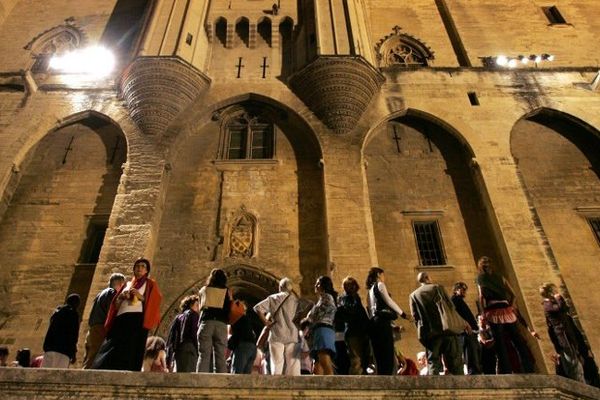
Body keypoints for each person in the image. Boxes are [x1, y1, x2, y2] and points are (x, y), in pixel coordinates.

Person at [92, 258, 162, 371]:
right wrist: (121, 297)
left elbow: (155, 301)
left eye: (143, 266)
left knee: (131, 346)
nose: (139, 268)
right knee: (114, 345)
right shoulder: (127, 284)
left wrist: (140, 296)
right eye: (137, 266)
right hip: (121, 318)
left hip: (136, 319)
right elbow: (116, 304)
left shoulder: (150, 284)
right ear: (134, 269)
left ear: (146, 271)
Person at [476, 256, 534, 374]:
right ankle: (528, 366)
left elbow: (481, 296)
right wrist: (511, 306)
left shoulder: (480, 279)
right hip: (504, 308)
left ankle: (508, 369)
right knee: (516, 339)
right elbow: (513, 294)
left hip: (493, 311)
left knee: (501, 342)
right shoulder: (500, 278)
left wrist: (483, 313)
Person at [410, 272, 467, 375]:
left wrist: (423, 333)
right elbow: (450, 307)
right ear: (427, 278)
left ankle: (434, 388)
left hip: (430, 334)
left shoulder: (413, 295)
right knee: (454, 361)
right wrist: (463, 323)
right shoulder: (437, 287)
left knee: (433, 362)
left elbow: (415, 317)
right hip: (446, 330)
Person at [366, 267, 412, 375]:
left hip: (374, 323)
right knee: (387, 350)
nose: (384, 277)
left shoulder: (370, 290)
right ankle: (388, 375)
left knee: (378, 352)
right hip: (382, 322)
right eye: (383, 275)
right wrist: (404, 315)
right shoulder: (380, 285)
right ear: (378, 274)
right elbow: (389, 301)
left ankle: (381, 374)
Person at [539, 283, 586, 383]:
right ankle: (579, 382)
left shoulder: (552, 303)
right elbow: (558, 309)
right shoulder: (547, 305)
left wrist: (560, 299)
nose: (555, 293)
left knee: (574, 358)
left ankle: (580, 380)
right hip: (562, 336)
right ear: (549, 293)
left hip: (567, 334)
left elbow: (565, 309)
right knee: (571, 360)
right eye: (553, 291)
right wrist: (559, 299)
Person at [254, 277, 300, 376]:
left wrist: (266, 322)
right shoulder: (296, 300)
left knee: (277, 363)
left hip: (277, 334)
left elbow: (257, 308)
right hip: (292, 335)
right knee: (293, 364)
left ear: (280, 287)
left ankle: (277, 387)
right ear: (291, 288)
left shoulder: (273, 298)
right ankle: (295, 386)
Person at [82, 273, 125, 369]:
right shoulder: (111, 293)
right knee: (95, 358)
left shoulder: (99, 294)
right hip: (101, 328)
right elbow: (111, 312)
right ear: (120, 283)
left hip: (92, 329)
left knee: (88, 357)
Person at [196, 268, 231, 373]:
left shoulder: (204, 289)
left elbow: (200, 307)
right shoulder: (227, 291)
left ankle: (200, 380)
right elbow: (230, 306)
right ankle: (220, 380)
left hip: (206, 322)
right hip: (221, 324)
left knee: (203, 354)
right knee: (220, 354)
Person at [336, 276, 370, 375]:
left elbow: (361, 314)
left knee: (363, 358)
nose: (352, 288)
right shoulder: (344, 298)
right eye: (349, 285)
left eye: (353, 285)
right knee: (356, 359)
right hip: (352, 332)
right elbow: (349, 312)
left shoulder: (356, 298)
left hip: (361, 331)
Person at [304, 276, 337, 375]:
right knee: (317, 362)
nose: (315, 285)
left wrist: (308, 320)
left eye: (318, 283)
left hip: (323, 330)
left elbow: (316, 315)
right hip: (320, 330)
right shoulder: (322, 299)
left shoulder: (327, 297)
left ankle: (330, 385)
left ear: (324, 285)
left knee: (324, 359)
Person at [41, 293, 81, 368]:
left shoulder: (56, 313)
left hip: (49, 349)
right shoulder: (73, 314)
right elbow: (73, 335)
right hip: (63, 351)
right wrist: (73, 353)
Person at [451, 282, 482, 375]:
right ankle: (473, 372)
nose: (464, 291)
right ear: (456, 290)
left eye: (465, 290)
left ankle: (475, 371)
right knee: (470, 353)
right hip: (465, 332)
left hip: (470, 331)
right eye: (462, 289)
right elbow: (456, 316)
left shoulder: (459, 300)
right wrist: (465, 325)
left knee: (474, 352)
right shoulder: (455, 300)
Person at [166, 294, 200, 372]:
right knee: (190, 375)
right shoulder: (193, 314)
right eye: (197, 305)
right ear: (191, 305)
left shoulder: (178, 317)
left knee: (181, 374)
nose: (198, 308)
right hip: (190, 348)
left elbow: (171, 338)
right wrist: (198, 349)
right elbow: (194, 333)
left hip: (179, 350)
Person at [228, 300, 257, 374]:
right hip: (252, 347)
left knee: (237, 374)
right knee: (246, 376)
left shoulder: (238, 318)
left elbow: (236, 335)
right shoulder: (247, 320)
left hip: (243, 347)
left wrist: (230, 344)